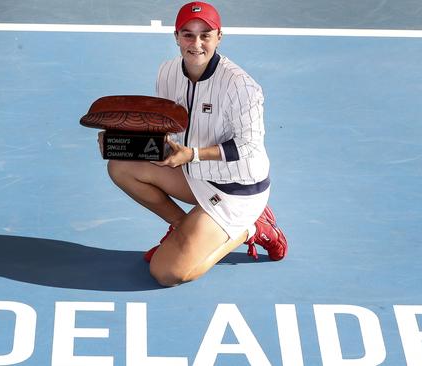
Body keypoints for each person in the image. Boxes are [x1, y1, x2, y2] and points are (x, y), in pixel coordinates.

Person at [98, 1, 287, 286]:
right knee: (120, 167)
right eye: (188, 34)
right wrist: (118, 141)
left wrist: (193, 155)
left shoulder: (241, 87)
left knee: (167, 272)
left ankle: (251, 228)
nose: (196, 43)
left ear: (218, 37)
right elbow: (167, 130)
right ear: (176, 37)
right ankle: (181, 226)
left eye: (205, 35)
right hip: (193, 174)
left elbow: (248, 146)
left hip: (236, 192)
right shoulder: (167, 72)